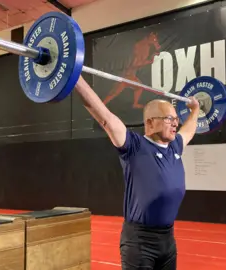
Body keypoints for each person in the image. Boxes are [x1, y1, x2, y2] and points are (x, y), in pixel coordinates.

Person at [73, 76, 200, 270]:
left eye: (176, 119)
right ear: (149, 123)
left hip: (168, 240)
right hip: (140, 242)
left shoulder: (175, 146)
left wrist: (195, 110)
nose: (175, 123)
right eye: (169, 119)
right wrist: (75, 78)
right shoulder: (134, 146)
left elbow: (189, 129)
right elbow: (104, 117)